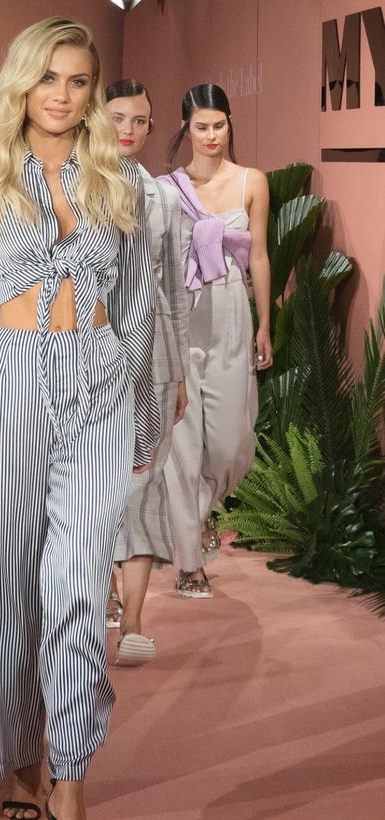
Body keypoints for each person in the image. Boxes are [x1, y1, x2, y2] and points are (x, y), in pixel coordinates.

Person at [0, 18, 158, 820]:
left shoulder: (122, 182)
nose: (63, 95)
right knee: (9, 585)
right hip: (9, 386)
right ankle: (18, 754)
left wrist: (141, 415)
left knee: (74, 579)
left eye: (80, 80)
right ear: (22, 82)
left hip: (95, 383)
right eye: (50, 77)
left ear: (96, 90)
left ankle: (72, 782)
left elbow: (135, 310)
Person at [157, 83, 272, 598]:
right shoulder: (165, 188)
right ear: (186, 129)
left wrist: (265, 322)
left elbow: (261, 257)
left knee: (230, 448)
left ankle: (196, 519)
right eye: (200, 126)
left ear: (230, 124)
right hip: (180, 317)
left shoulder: (253, 181)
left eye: (219, 125)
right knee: (182, 445)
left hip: (230, 313)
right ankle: (189, 561)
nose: (211, 135)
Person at [105, 79, 189, 666]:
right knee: (91, 488)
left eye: (140, 120)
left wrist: (180, 371)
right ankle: (103, 593)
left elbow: (177, 292)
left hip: (151, 358)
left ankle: (134, 619)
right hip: (77, 355)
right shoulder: (67, 186)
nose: (129, 129)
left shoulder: (163, 199)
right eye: (118, 118)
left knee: (143, 483)